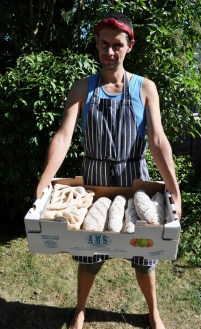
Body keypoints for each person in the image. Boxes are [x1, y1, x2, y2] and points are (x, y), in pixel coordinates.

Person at [36, 12, 181, 329]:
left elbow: (157, 140)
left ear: (130, 45)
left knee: (145, 256)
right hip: (95, 182)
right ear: (97, 44)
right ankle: (80, 309)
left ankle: (153, 311)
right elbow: (63, 137)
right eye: (104, 44)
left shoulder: (146, 89)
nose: (109, 52)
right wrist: (44, 183)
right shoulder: (82, 89)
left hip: (135, 182)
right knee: (89, 254)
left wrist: (174, 190)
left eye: (117, 45)